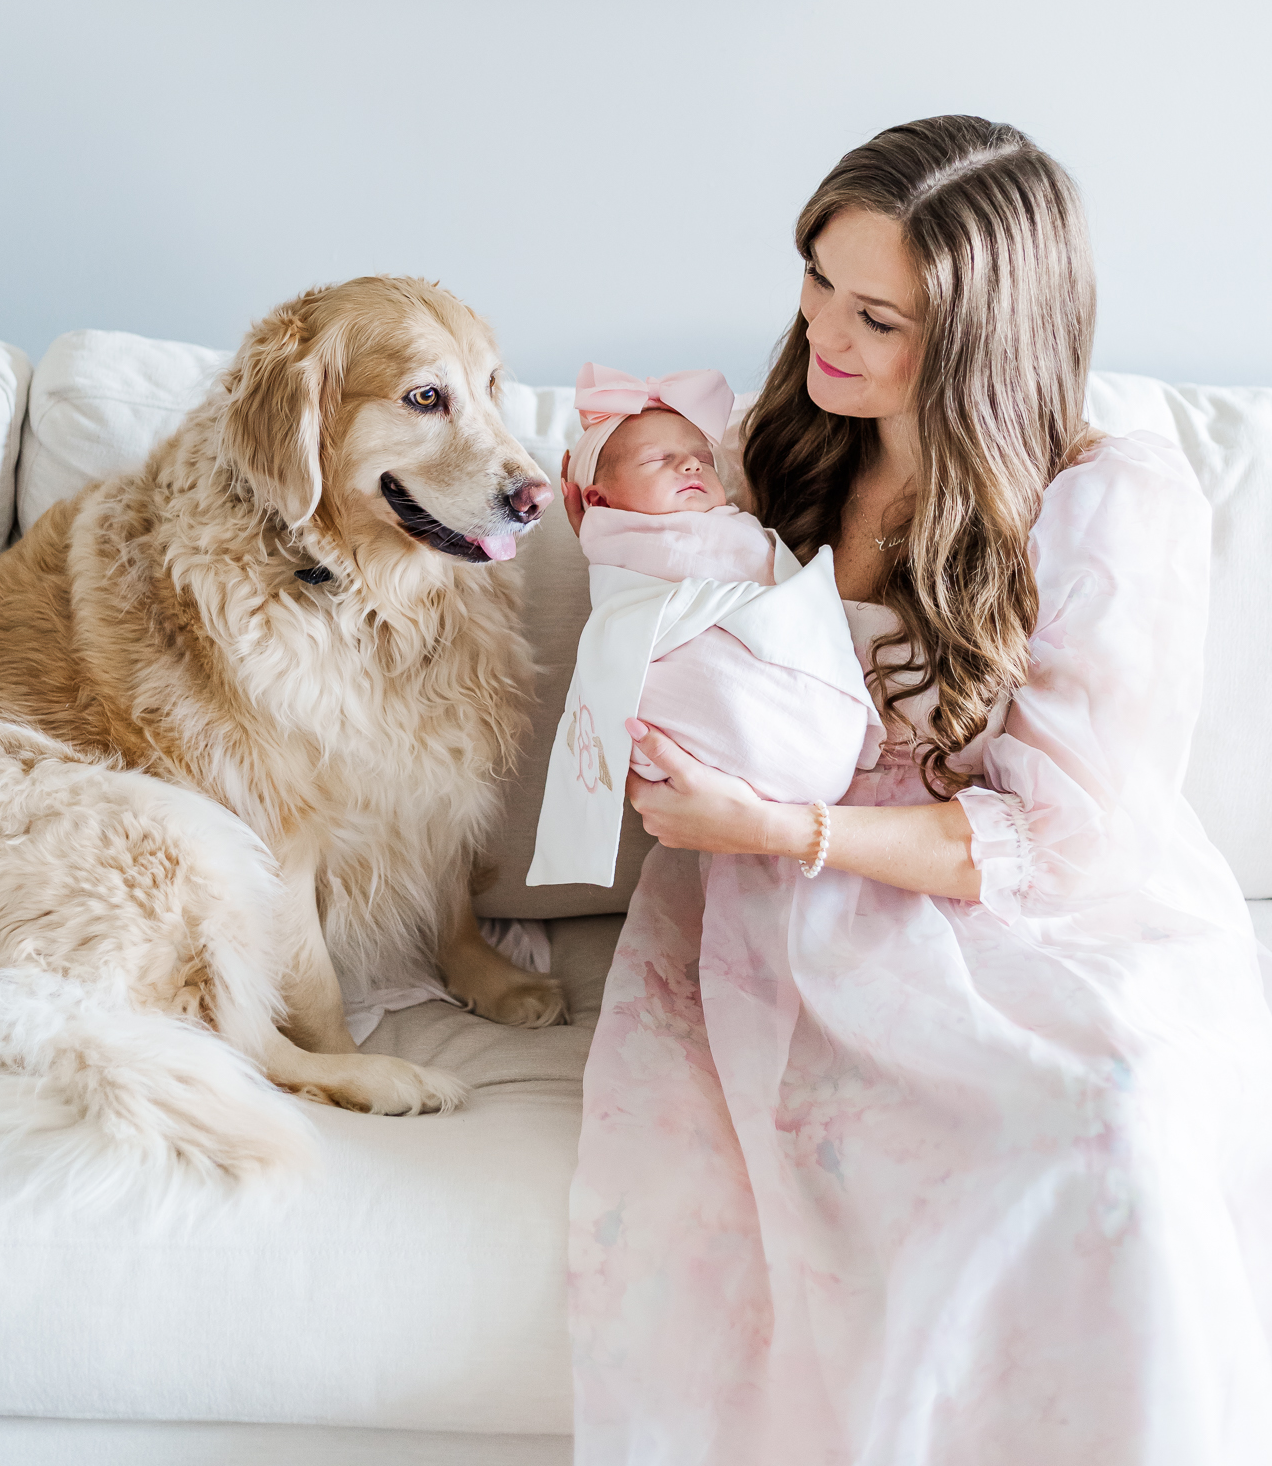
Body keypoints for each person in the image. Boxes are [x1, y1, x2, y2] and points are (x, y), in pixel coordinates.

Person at [560, 116, 1272, 1466]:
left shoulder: (1108, 496)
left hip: (1036, 892)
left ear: (980, 341)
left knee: (1112, 1112)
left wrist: (791, 826)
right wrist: (625, 542)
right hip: (797, 898)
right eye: (816, 278)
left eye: (875, 315)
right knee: (854, 1177)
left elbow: (1070, 835)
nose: (824, 332)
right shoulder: (780, 447)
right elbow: (684, 642)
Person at [527, 366, 879, 890]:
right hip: (711, 703)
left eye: (702, 459)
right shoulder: (628, 544)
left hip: (809, 721)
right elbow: (631, 609)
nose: (691, 462)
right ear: (597, 501)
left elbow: (783, 593)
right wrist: (609, 541)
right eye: (657, 459)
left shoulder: (737, 526)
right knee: (638, 683)